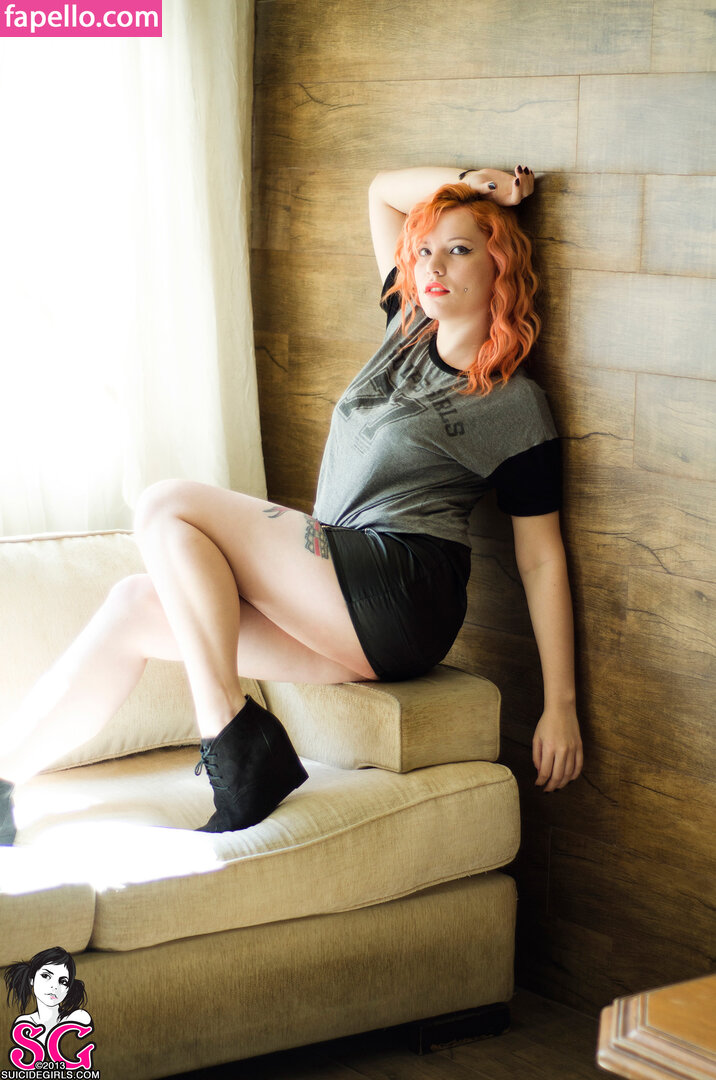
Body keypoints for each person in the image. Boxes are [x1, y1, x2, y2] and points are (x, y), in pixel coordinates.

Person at [0, 164, 583, 845]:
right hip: (343, 597)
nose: (433, 266)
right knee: (134, 606)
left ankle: (229, 737)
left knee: (166, 503)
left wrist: (560, 705)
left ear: (500, 266)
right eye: (425, 249)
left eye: (459, 250)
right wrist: (475, 183)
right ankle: (6, 779)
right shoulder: (405, 327)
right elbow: (381, 191)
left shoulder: (514, 406)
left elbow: (541, 562)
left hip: (404, 586)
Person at [4, 946, 91, 1049]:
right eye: (46, 976)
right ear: (31, 979)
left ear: (68, 989)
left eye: (63, 982)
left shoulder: (78, 1017)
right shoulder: (24, 1023)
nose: (54, 986)